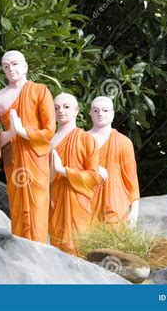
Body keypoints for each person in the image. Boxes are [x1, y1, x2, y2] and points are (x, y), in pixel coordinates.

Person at [0, 50, 55, 242]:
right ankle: (20, 254)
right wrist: (10, 133)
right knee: (18, 208)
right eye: (6, 66)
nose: (11, 69)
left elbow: (49, 130)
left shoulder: (40, 91)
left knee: (38, 207)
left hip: (37, 158)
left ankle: (39, 253)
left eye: (15, 64)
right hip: (13, 159)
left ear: (25, 67)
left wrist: (24, 132)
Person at [49, 93, 101, 255]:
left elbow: (94, 177)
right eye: (56, 108)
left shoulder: (86, 139)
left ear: (76, 110)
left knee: (78, 248)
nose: (61, 111)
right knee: (57, 248)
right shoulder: (48, 141)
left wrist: (64, 171)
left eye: (66, 107)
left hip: (78, 201)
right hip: (55, 200)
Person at [88, 96, 140, 227]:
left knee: (113, 246)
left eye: (105, 110)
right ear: (90, 113)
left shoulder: (123, 142)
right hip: (87, 201)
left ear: (112, 114)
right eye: (95, 110)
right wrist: (93, 168)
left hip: (116, 204)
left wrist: (135, 210)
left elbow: (131, 180)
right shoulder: (81, 140)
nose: (100, 114)